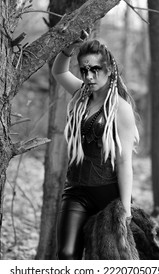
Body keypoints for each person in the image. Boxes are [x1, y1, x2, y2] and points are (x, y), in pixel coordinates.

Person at [52, 37, 139, 260]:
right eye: (84, 70)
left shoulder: (121, 109)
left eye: (95, 69)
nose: (89, 76)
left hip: (108, 196)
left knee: (106, 262)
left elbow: (124, 161)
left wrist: (126, 208)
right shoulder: (80, 95)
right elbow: (59, 73)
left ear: (109, 70)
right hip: (77, 192)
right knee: (66, 254)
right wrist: (68, 48)